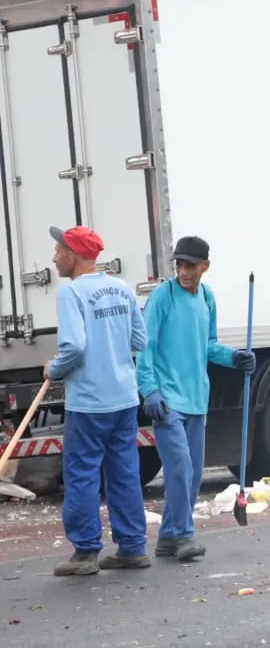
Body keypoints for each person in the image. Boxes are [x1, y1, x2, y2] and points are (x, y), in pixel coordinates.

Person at [134, 235, 257, 563]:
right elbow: (145, 346)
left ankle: (167, 538)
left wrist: (234, 357)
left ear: (205, 266)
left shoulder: (207, 297)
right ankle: (185, 535)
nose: (184, 271)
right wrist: (149, 389)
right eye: (180, 264)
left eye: (191, 265)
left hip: (197, 398)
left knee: (193, 474)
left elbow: (209, 344)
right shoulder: (163, 296)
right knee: (180, 470)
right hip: (168, 401)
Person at [44, 225, 149, 577]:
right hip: (124, 398)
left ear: (72, 254)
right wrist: (112, 349)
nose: (54, 258)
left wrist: (53, 369)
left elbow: (74, 346)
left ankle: (86, 551)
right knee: (124, 473)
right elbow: (140, 340)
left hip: (89, 402)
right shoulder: (122, 288)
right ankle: (132, 547)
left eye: (58, 251)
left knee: (82, 474)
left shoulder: (71, 293)